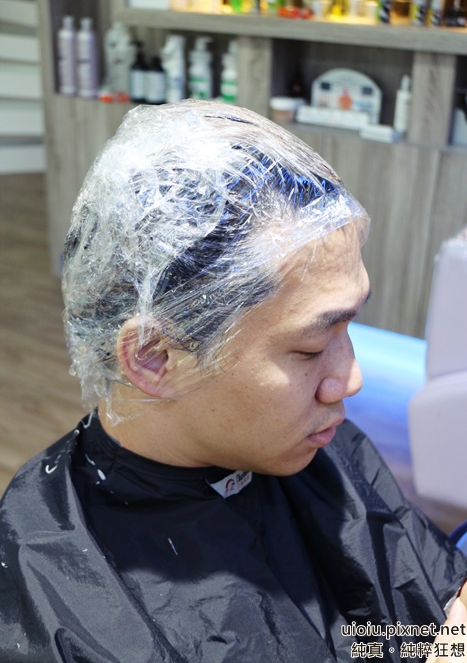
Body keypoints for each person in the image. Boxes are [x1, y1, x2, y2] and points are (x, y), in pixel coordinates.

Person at [0, 101, 465, 662]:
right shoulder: (55, 596)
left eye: (350, 328)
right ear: (153, 357)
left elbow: (420, 617)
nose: (350, 381)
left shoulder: (314, 444)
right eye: (311, 348)